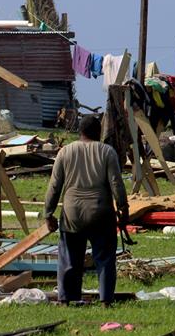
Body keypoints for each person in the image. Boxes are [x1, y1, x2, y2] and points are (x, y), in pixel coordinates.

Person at [44, 115, 129, 305]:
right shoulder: (107, 152)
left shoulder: (65, 152)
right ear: (98, 133)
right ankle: (106, 299)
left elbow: (54, 186)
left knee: (69, 258)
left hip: (72, 212)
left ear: (79, 132)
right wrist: (123, 208)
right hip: (101, 211)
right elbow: (116, 183)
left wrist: (48, 214)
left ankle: (67, 298)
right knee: (105, 258)